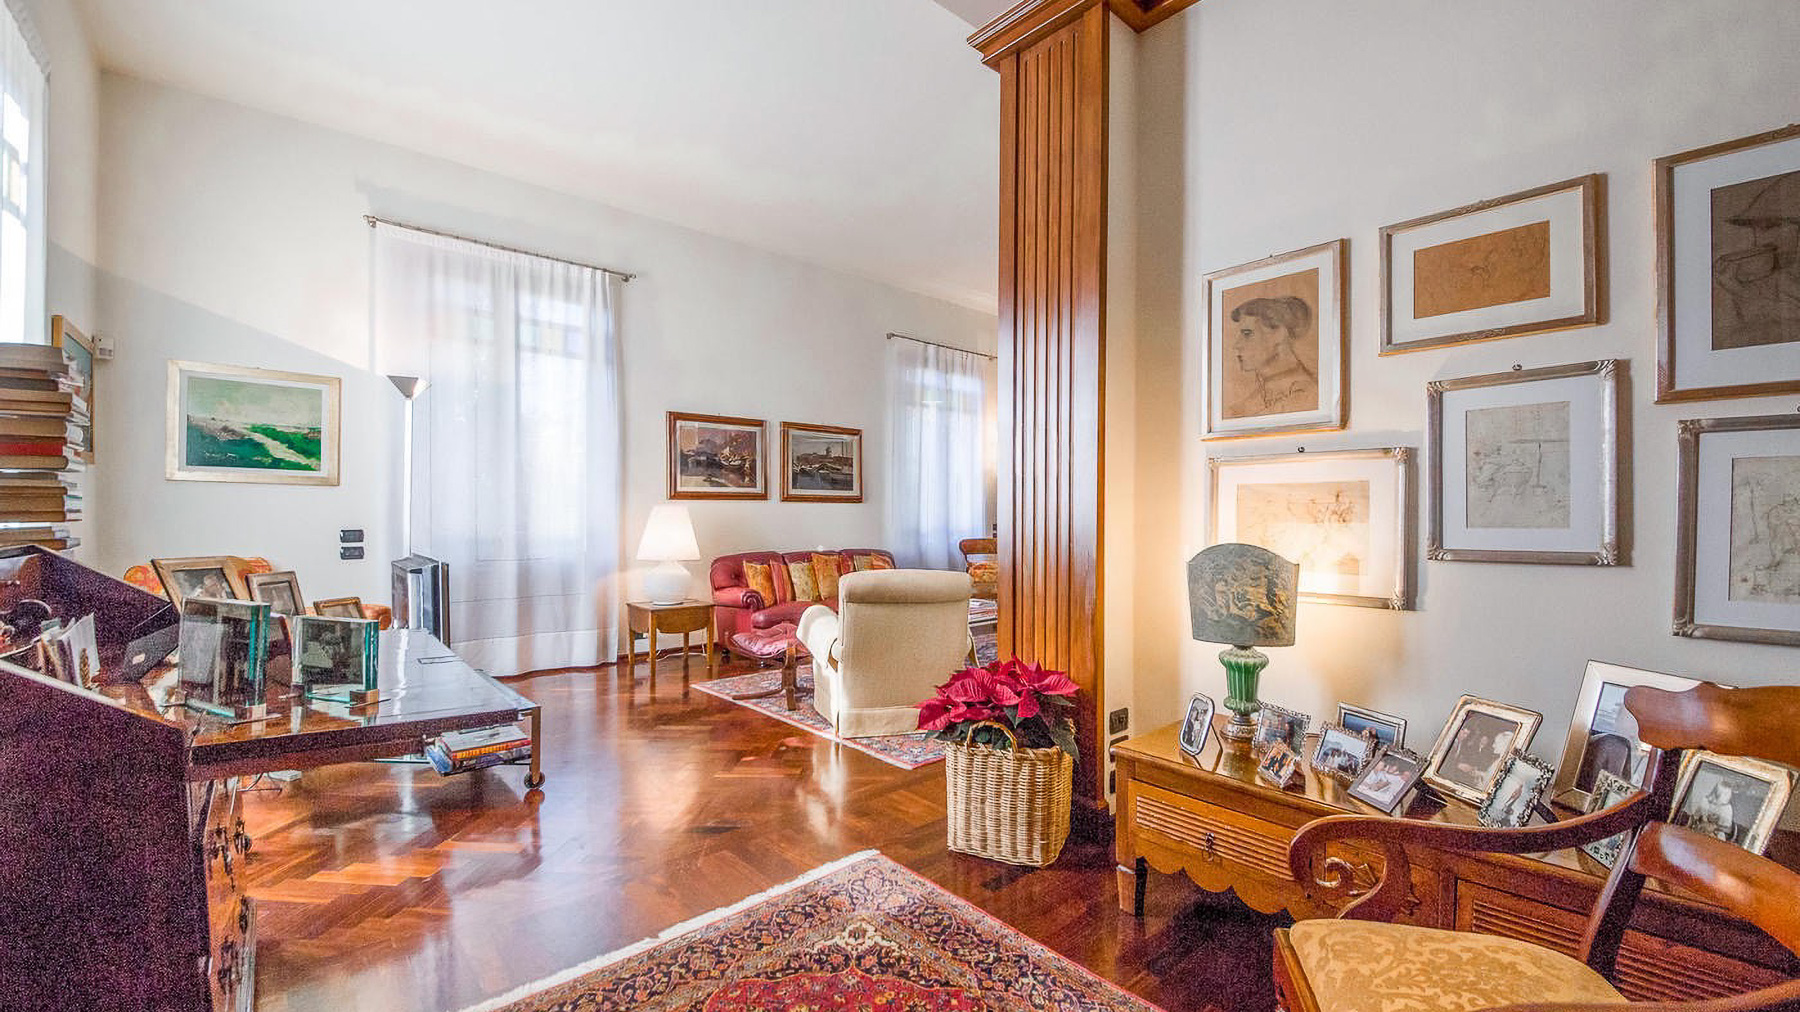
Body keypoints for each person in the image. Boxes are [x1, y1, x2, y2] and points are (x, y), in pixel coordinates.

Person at [1226, 296, 1317, 416]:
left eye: (1247, 334)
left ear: (1280, 334)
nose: (1237, 345)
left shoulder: (1306, 395)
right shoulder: (1246, 406)